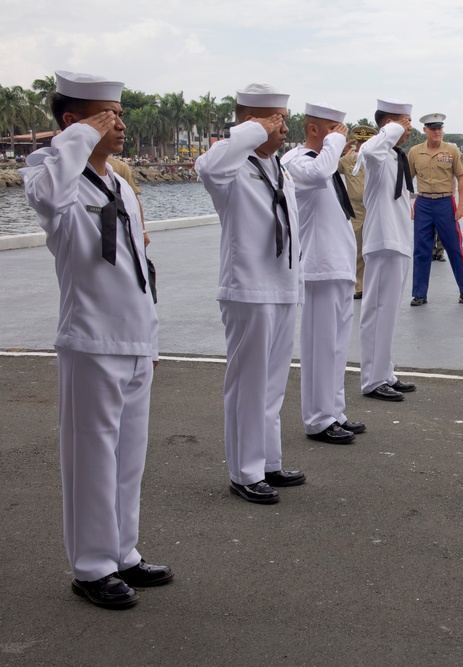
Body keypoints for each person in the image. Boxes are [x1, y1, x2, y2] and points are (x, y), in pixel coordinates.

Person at [21, 70, 171, 609]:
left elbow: (136, 265)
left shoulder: (121, 185)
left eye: (120, 112)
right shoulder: (51, 176)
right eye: (107, 113)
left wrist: (151, 338)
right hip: (89, 340)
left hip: (132, 337)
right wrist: (79, 136)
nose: (120, 122)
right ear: (72, 122)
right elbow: (47, 194)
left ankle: (122, 551)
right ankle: (90, 566)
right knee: (92, 456)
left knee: (129, 456)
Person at [195, 84, 305, 504]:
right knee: (248, 382)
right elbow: (206, 166)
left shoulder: (278, 166)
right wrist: (250, 131)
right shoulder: (231, 165)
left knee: (273, 382)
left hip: (281, 285)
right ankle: (244, 471)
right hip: (247, 287)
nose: (283, 126)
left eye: (283, 118)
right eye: (274, 119)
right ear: (251, 122)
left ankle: (267, 461)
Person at [282, 103, 367, 446]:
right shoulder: (296, 161)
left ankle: (333, 410)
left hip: (338, 265)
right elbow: (316, 175)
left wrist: (333, 145)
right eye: (334, 129)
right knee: (320, 347)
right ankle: (318, 419)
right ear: (314, 129)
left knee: (335, 347)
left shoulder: (326, 163)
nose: (342, 136)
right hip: (318, 267)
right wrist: (333, 143)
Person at [354, 99, 418, 401]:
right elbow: (368, 149)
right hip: (382, 240)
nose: (408, 128)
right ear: (389, 123)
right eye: (404, 122)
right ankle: (372, 379)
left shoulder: (394, 155)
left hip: (399, 241)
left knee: (389, 313)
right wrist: (393, 127)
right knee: (376, 311)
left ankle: (385, 371)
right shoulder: (377, 153)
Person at [408, 112, 463, 306]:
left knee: (454, 247)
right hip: (424, 203)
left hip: (445, 203)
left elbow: (461, 178)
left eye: (439, 128)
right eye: (433, 129)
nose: (437, 132)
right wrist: (407, 205)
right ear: (425, 130)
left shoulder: (451, 150)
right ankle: (419, 294)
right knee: (421, 250)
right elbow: (406, 182)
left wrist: (461, 206)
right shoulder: (414, 152)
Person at [339, 124, 376, 299]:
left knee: (375, 248)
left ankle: (374, 284)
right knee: (357, 248)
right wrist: (341, 150)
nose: (362, 146)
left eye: (366, 142)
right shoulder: (348, 160)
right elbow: (328, 168)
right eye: (359, 143)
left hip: (374, 208)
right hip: (356, 210)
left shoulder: (377, 159)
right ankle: (358, 285)